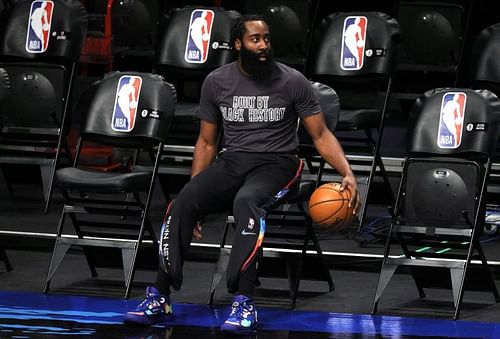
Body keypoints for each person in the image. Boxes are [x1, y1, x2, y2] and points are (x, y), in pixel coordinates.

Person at [124, 14, 360, 335]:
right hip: (232, 161)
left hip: (279, 163)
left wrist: (347, 172)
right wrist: (197, 195)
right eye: (255, 39)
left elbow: (320, 135)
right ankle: (160, 297)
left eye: (266, 39)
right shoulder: (216, 82)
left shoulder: (292, 81)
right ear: (238, 45)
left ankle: (244, 300)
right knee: (183, 202)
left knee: (248, 201)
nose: (263, 45)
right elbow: (207, 142)